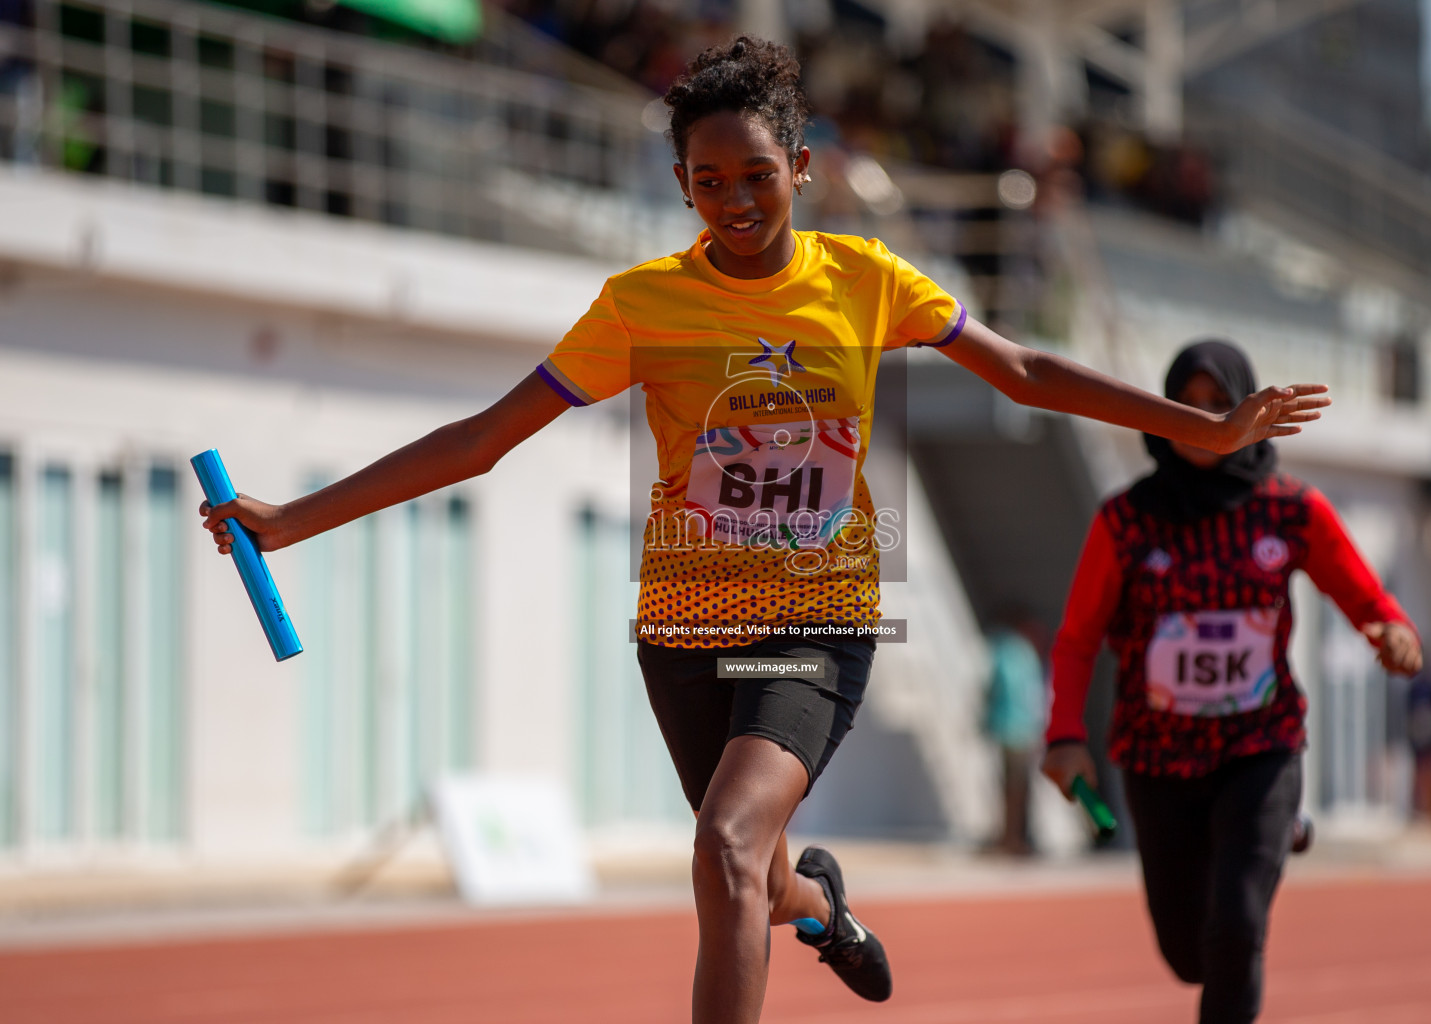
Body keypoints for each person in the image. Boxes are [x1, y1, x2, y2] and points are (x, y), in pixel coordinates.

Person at [201, 41, 1329, 1024]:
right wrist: (296, 517)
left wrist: (1205, 427)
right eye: (707, 180)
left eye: (756, 174)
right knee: (755, 869)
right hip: (684, 628)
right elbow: (485, 439)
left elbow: (1025, 370)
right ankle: (823, 905)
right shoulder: (643, 303)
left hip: (814, 622)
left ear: (800, 166)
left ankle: (798, 900)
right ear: (683, 187)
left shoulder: (865, 281)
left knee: (725, 846)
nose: (735, 199)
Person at [1041, 339, 1420, 1024]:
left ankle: (1275, 821)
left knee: (1237, 930)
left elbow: (1368, 600)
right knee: (1190, 954)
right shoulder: (1124, 519)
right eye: (1187, 407)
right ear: (1159, 414)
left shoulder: (1292, 510)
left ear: (1249, 410)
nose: (1207, 420)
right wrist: (1066, 735)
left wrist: (1393, 631)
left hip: (1260, 745)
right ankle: (1283, 831)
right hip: (1156, 756)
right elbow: (1077, 639)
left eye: (1222, 405)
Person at [982, 612, 1047, 855]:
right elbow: (1033, 693)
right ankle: (1020, 838)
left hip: (1009, 729)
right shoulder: (1027, 654)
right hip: (1026, 729)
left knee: (1011, 789)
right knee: (1022, 788)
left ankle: (1011, 839)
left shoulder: (1003, 651)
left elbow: (993, 689)